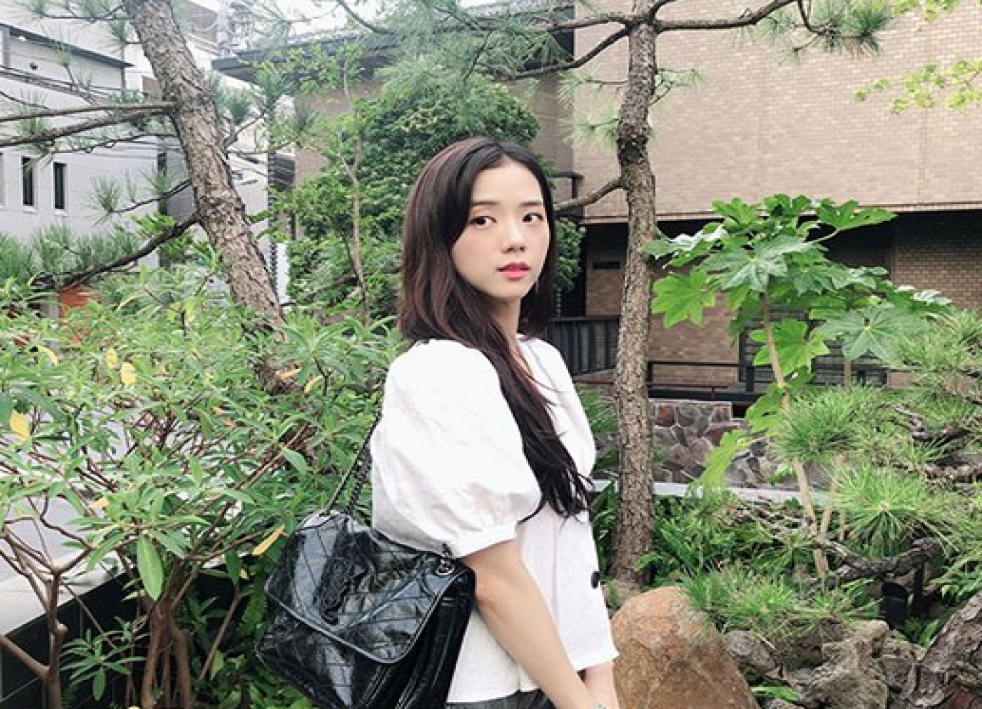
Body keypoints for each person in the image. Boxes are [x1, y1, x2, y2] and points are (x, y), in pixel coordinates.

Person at [370, 137, 621, 709]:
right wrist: (579, 701)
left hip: (556, 671)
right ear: (440, 237)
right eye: (482, 219)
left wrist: (600, 675)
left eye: (531, 216)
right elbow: (493, 579)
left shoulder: (541, 359)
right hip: (480, 687)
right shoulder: (438, 373)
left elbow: (570, 537)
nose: (515, 238)